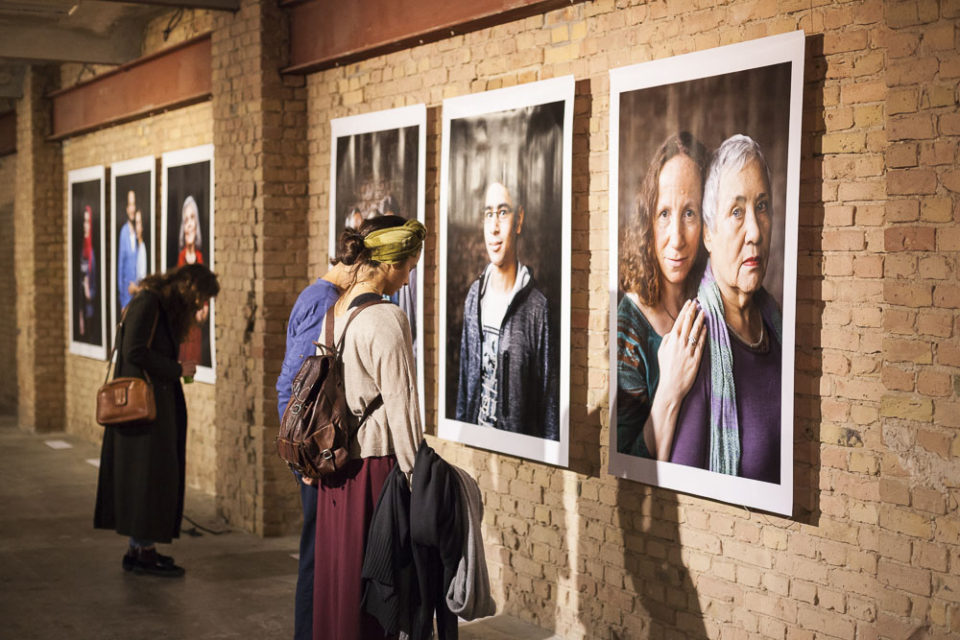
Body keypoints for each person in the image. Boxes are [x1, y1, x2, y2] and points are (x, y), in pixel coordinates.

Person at [313, 215, 425, 640]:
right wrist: (419, 479)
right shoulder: (388, 319)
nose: (409, 279)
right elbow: (402, 408)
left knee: (337, 586)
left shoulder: (334, 312)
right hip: (374, 474)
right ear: (392, 263)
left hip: (335, 472)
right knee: (377, 592)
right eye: (410, 267)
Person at [94, 263, 220, 576]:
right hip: (143, 408)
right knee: (148, 478)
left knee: (150, 477)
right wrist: (177, 370)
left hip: (154, 405)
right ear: (189, 286)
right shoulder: (148, 302)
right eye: (201, 297)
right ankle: (143, 553)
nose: (201, 305)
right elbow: (134, 351)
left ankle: (140, 548)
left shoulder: (157, 303)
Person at [670, 134, 782, 483]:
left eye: (761, 207)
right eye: (736, 211)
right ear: (708, 234)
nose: (755, 232)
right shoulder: (696, 344)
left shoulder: (776, 322)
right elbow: (683, 498)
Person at [617, 132, 708, 460]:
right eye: (664, 214)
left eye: (689, 214)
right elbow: (627, 464)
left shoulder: (712, 300)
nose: (677, 238)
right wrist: (670, 385)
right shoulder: (627, 328)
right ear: (648, 220)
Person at [275, 261, 352, 640]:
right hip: (316, 459)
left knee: (319, 556)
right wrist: (304, 459)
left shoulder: (318, 295)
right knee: (318, 558)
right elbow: (295, 385)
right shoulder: (324, 302)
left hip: (314, 455)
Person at [455, 180, 559, 440]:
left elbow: (549, 404)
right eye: (488, 214)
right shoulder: (473, 297)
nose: (494, 227)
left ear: (519, 219)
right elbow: (464, 389)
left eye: (503, 212)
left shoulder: (537, 308)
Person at [177, 196, 205, 367]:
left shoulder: (201, 260)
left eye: (192, 218)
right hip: (184, 331)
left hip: (197, 333)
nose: (188, 224)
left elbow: (206, 301)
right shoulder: (180, 261)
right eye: (185, 219)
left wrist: (203, 310)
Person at [118, 190, 139, 310]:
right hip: (126, 295)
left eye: (134, 204)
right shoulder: (123, 232)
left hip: (137, 294)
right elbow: (120, 266)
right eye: (130, 204)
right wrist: (122, 298)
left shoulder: (138, 232)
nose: (132, 208)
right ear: (127, 208)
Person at [78, 205, 97, 339]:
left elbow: (94, 287)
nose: (86, 225)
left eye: (87, 222)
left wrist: (88, 291)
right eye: (84, 222)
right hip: (80, 309)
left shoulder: (92, 255)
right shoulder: (80, 252)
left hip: (89, 310)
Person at [135, 209, 147, 283]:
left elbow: (142, 281)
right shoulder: (137, 247)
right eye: (135, 223)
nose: (136, 227)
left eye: (138, 223)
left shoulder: (142, 249)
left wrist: (134, 288)